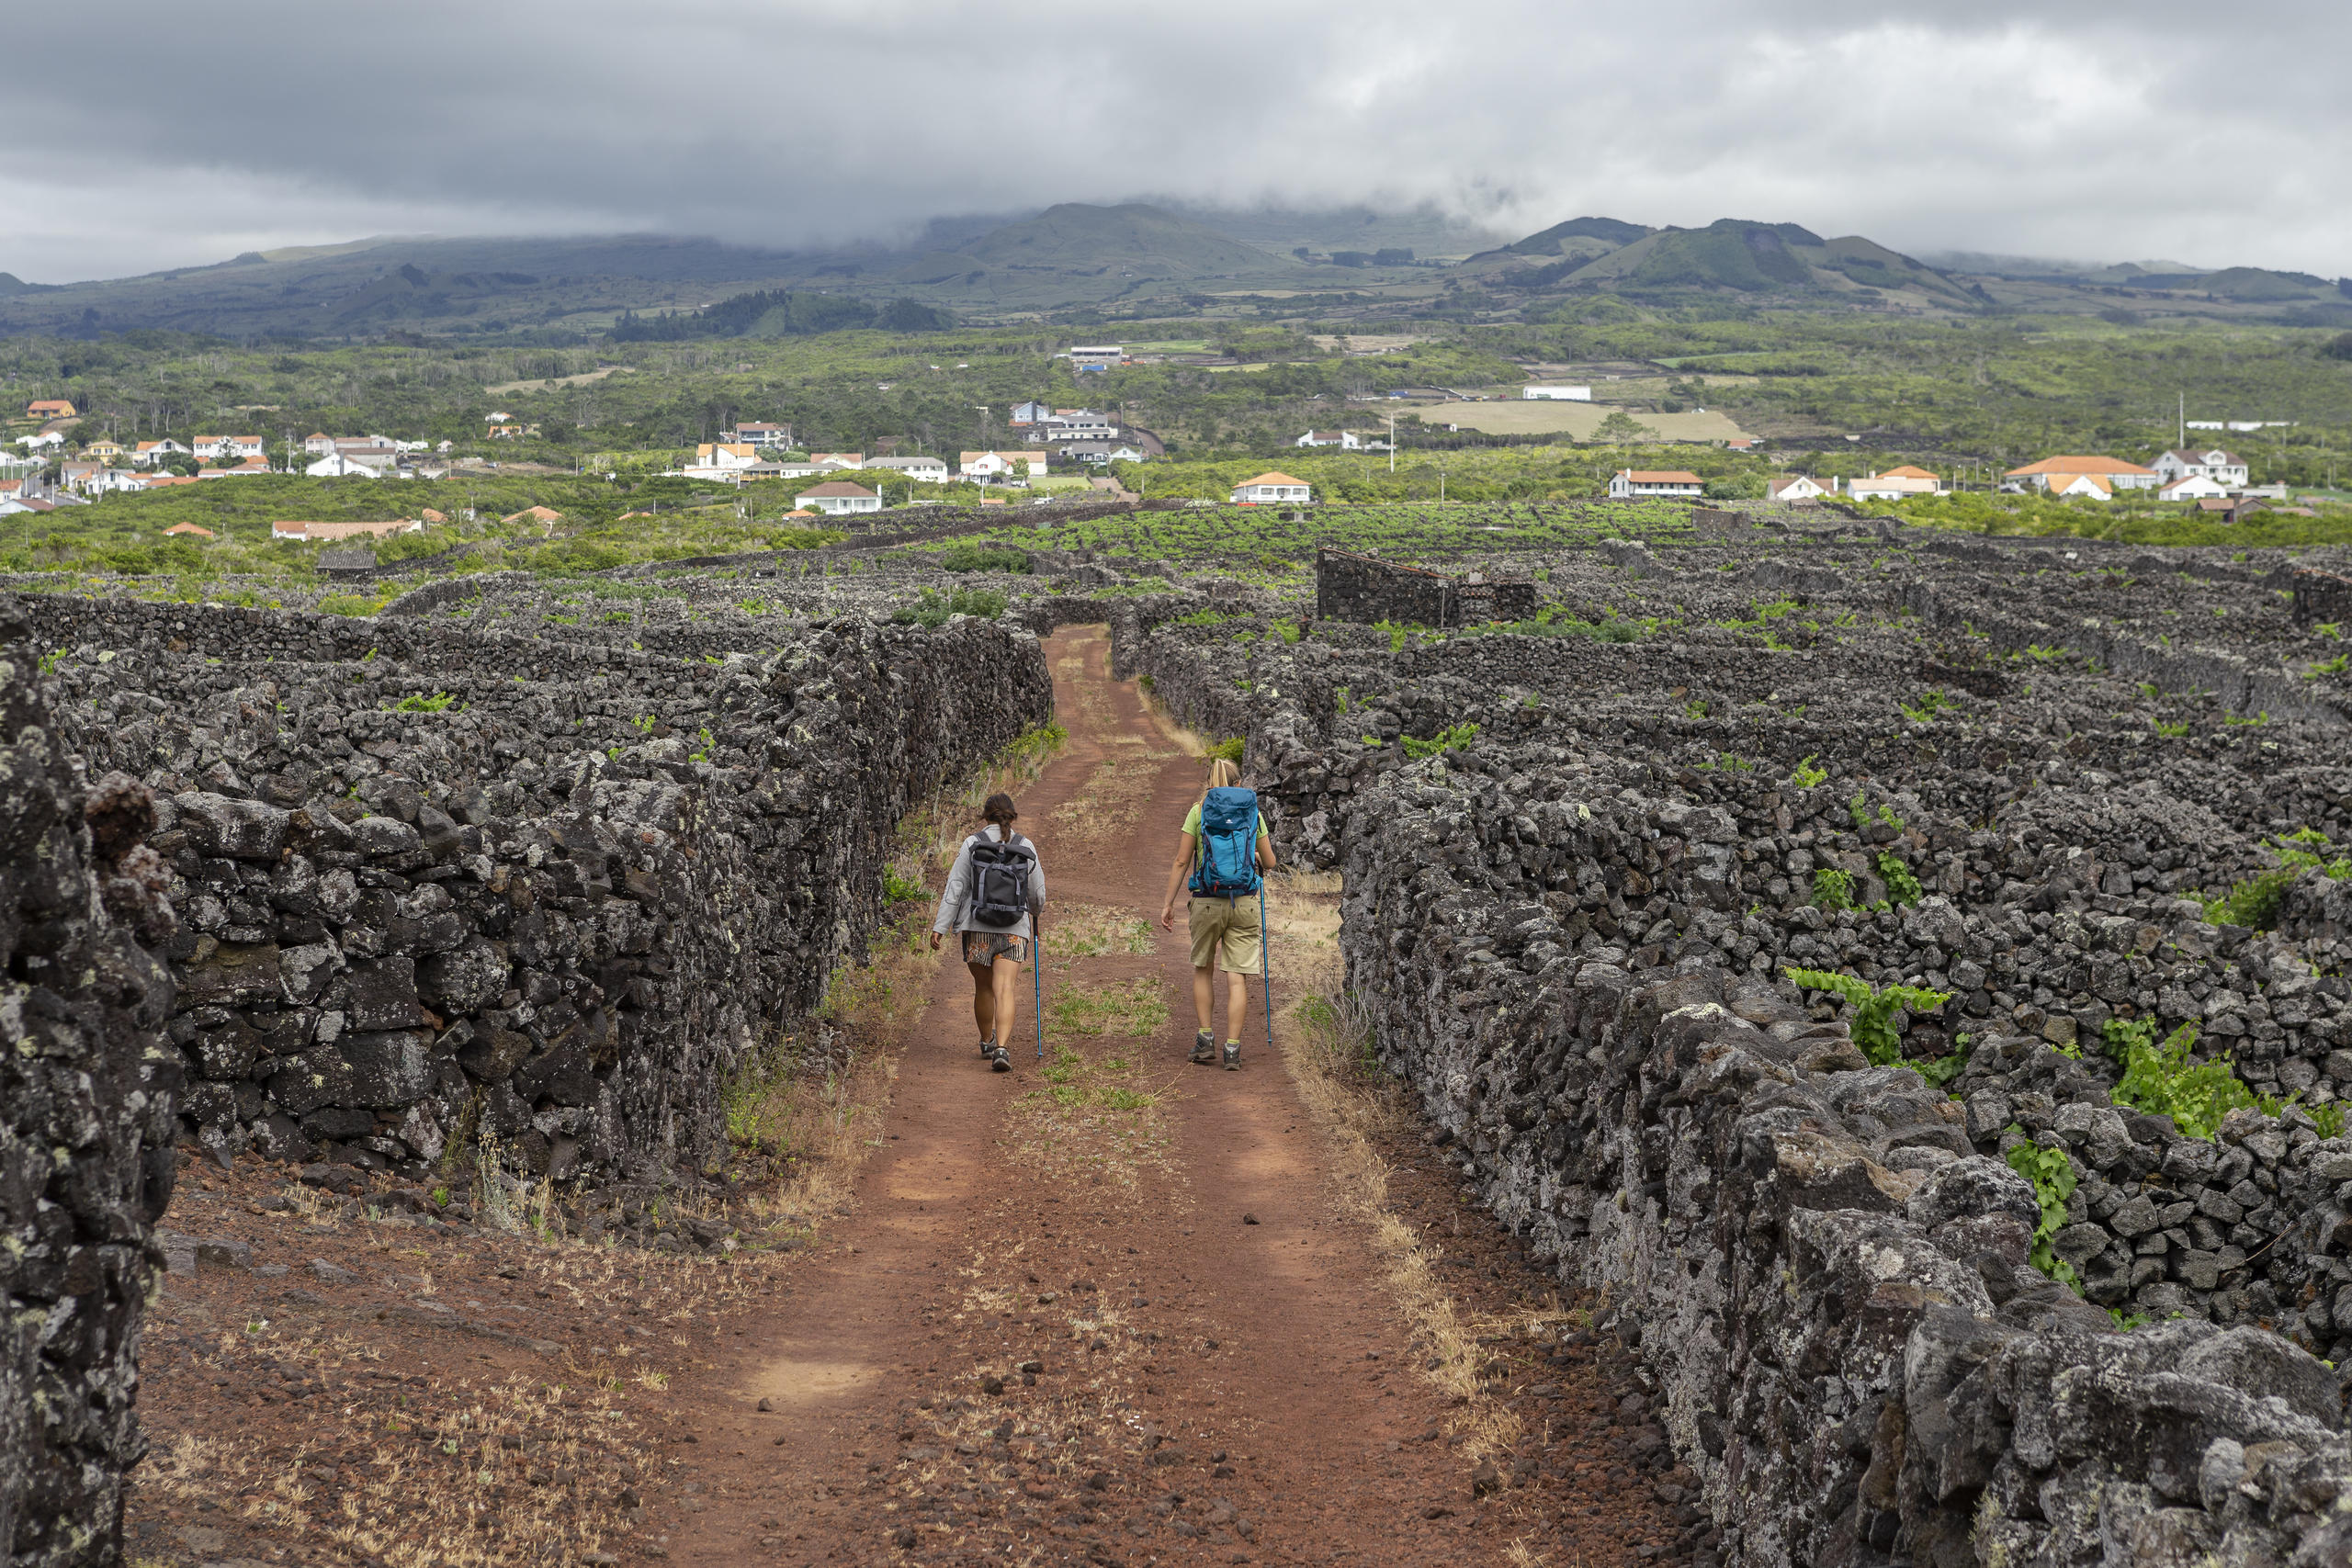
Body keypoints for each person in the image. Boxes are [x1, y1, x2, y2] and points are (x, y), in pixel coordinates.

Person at [1158, 756, 1276, 1069]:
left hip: (1207, 901)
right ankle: (1233, 1050)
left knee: (1203, 968)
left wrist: (1168, 903)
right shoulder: (1252, 812)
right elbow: (1271, 861)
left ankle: (1205, 1038)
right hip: (1245, 901)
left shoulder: (1198, 811)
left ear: (1209, 782)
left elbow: (1182, 861)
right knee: (1237, 977)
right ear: (1238, 784)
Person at [931, 793, 1046, 1073]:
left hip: (977, 928)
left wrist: (940, 926)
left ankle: (986, 1041)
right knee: (1005, 988)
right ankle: (1003, 1048)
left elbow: (955, 888)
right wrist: (1034, 913)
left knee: (983, 987)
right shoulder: (1025, 845)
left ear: (985, 816)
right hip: (1013, 930)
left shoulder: (972, 844)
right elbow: (1037, 894)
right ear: (1012, 817)